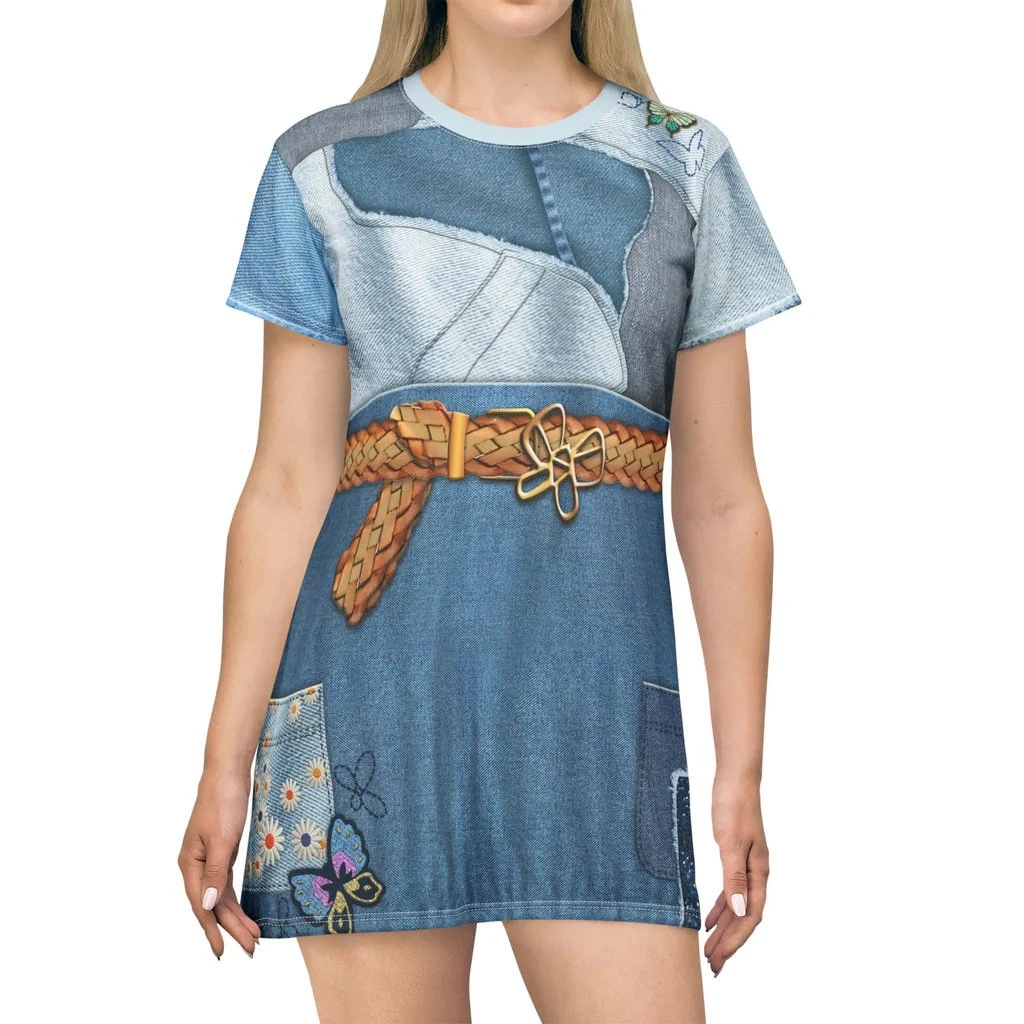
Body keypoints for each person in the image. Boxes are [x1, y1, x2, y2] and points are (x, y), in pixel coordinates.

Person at [178, 1, 802, 1020]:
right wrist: (222, 763)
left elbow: (723, 499)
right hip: (368, 707)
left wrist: (743, 769)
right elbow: (287, 484)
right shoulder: (318, 165)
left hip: (597, 718)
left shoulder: (685, 164)